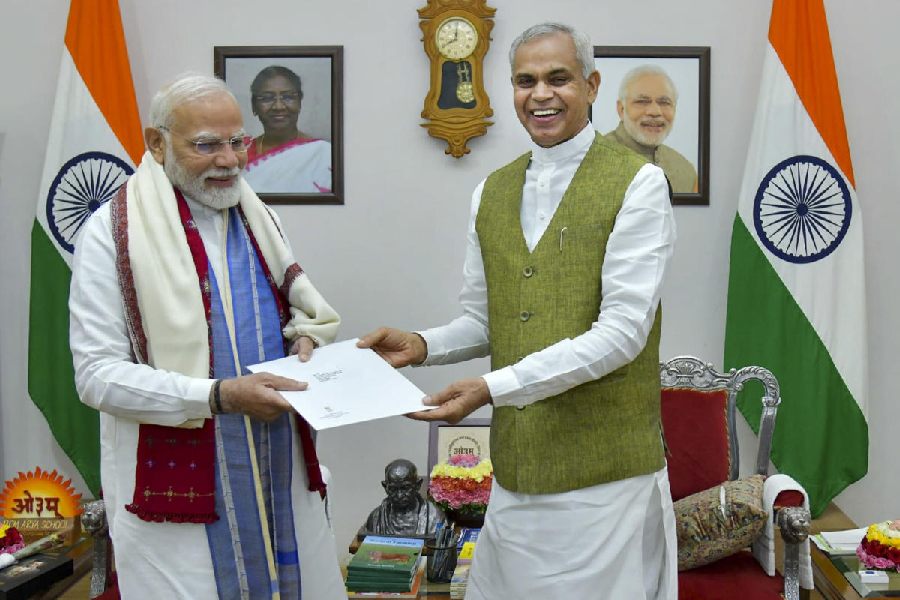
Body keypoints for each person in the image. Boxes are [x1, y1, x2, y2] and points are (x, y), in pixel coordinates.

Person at [358, 22, 678, 599]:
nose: (541, 94)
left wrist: (491, 386)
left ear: (592, 85)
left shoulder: (641, 184)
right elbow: (485, 320)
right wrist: (423, 345)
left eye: (558, 78)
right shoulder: (492, 191)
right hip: (518, 474)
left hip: (607, 481)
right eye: (525, 81)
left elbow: (623, 334)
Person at [69, 73, 345, 598]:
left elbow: (296, 315)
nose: (229, 160)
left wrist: (304, 342)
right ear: (156, 143)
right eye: (206, 145)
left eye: (237, 141)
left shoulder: (259, 216)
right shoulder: (112, 232)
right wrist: (218, 396)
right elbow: (96, 378)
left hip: (277, 474)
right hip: (180, 495)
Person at [606, 64, 699, 193]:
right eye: (642, 101)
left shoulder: (685, 172)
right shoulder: (592, 161)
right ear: (621, 109)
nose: (655, 112)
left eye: (664, 103)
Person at [243, 65, 332, 194]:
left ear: (299, 102)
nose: (278, 106)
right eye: (267, 98)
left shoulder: (323, 155)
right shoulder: (240, 154)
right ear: (254, 106)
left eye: (288, 97)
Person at [364, 459, 445, 537]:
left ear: (418, 485)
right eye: (393, 489)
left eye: (405, 488)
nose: (399, 495)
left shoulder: (434, 515)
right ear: (385, 487)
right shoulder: (376, 518)